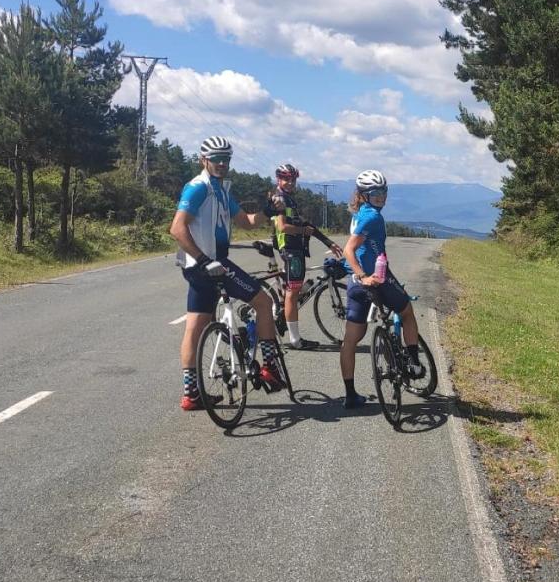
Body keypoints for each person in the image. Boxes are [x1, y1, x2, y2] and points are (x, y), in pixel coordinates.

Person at [168, 137, 284, 410]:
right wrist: (203, 259)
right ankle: (269, 365)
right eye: (216, 158)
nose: (222, 163)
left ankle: (192, 394)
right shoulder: (198, 188)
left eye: (226, 159)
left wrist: (269, 210)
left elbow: (248, 222)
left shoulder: (221, 190)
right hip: (210, 264)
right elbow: (176, 228)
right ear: (203, 159)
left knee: (196, 327)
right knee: (264, 303)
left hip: (203, 266)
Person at [338, 169, 425, 409]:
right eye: (375, 193)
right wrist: (363, 275)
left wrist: (354, 273)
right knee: (406, 312)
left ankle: (350, 395)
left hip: (354, 284)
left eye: (383, 192)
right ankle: (415, 363)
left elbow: (352, 249)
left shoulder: (360, 213)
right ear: (363, 194)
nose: (381, 197)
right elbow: (350, 249)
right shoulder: (372, 217)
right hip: (376, 278)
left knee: (351, 340)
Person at [270, 162, 342, 349]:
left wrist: (328, 242)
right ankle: (295, 340)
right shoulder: (279, 198)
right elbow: (282, 226)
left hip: (296, 249)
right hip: (290, 249)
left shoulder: (289, 199)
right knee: (293, 294)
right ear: (279, 179)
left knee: (293, 290)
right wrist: (303, 231)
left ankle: (282, 317)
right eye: (286, 178)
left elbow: (307, 225)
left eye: (293, 179)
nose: (290, 182)